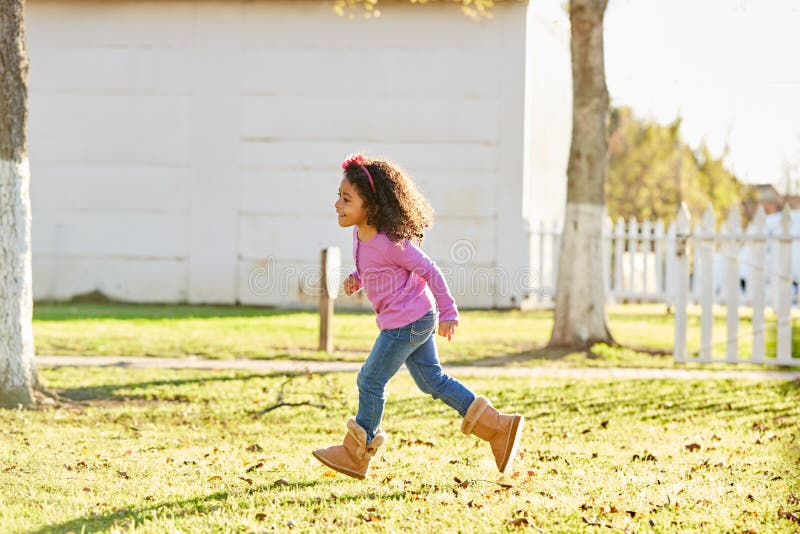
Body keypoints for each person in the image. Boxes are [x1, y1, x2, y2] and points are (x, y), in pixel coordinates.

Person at [312, 153, 524, 480]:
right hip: (413, 317)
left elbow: (429, 270)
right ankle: (498, 428)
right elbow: (371, 265)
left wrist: (449, 312)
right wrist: (358, 277)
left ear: (370, 204)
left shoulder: (391, 241)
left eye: (346, 198)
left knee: (370, 380)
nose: (337, 204)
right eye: (339, 196)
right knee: (432, 381)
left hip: (408, 321)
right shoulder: (360, 234)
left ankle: (357, 453)